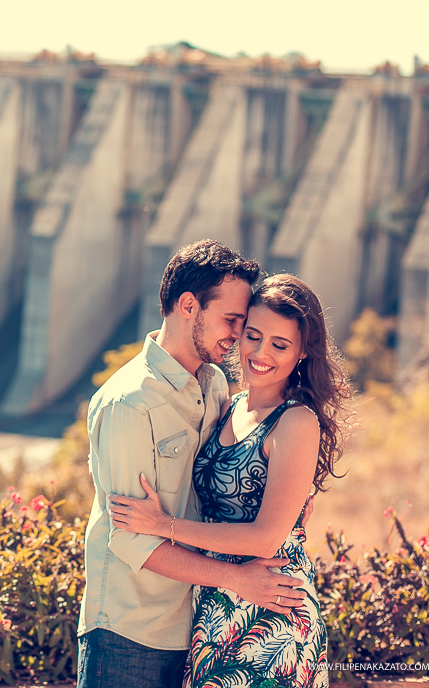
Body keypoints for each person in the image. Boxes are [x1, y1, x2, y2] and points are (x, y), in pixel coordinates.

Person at [77, 240, 308, 688]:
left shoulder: (216, 384)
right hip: (130, 631)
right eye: (233, 321)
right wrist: (236, 578)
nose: (239, 336)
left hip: (201, 626)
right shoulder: (129, 403)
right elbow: (130, 540)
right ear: (188, 305)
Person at [109, 273, 351, 687]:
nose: (260, 353)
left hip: (272, 614)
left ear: (302, 355)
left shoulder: (296, 421)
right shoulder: (228, 404)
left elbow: (264, 539)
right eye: (252, 336)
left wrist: (161, 526)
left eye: (280, 345)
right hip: (216, 608)